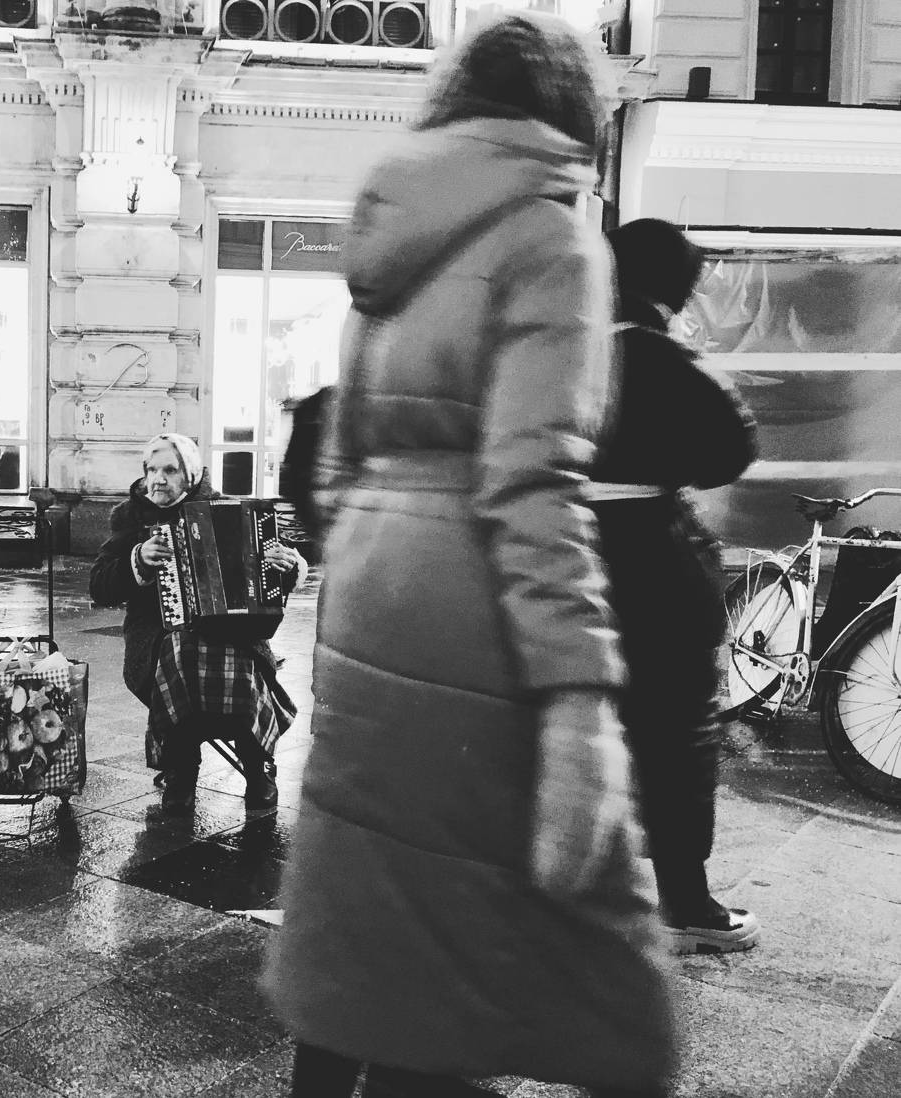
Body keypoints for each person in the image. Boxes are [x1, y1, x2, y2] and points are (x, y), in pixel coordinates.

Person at [263, 13, 675, 1098]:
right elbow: (534, 483)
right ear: (575, 114)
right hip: (473, 602)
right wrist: (578, 696)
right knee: (456, 928)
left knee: (368, 893)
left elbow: (336, 463)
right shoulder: (551, 238)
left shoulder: (391, 237)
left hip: (369, 595)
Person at [592, 218, 761, 955]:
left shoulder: (566, 355)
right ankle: (686, 905)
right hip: (656, 570)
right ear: (676, 286)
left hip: (565, 559)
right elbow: (731, 448)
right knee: (675, 736)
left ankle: (572, 895)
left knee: (574, 724)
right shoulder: (668, 359)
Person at [89, 433, 305, 812]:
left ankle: (257, 765)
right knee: (179, 651)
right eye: (151, 470)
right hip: (156, 635)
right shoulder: (130, 517)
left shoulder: (227, 509)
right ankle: (181, 768)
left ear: (189, 475)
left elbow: (274, 569)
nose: (157, 479)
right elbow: (99, 585)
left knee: (241, 660)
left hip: (234, 631)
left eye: (169, 470)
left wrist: (285, 566)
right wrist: (137, 560)